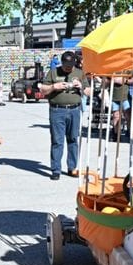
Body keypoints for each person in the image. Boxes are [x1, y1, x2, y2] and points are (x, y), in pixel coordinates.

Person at [40, 50, 89, 180]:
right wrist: (54, 87)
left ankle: (72, 168)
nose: (68, 68)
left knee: (73, 139)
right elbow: (43, 90)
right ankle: (56, 169)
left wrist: (81, 87)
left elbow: (89, 91)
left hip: (74, 110)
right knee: (57, 141)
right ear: (62, 62)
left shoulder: (79, 73)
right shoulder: (53, 72)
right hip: (57, 110)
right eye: (66, 66)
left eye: (71, 66)